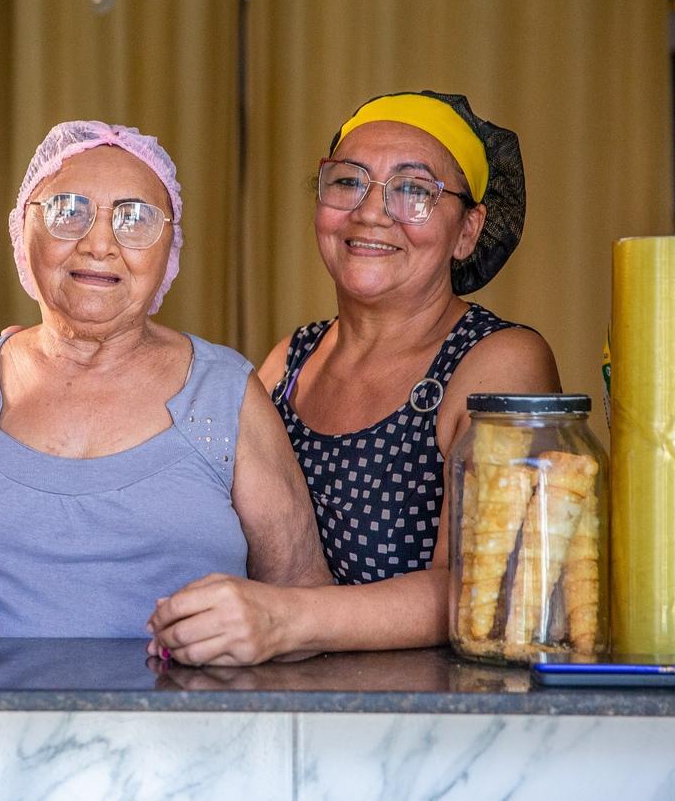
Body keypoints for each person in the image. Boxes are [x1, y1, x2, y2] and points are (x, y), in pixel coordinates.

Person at [0, 121, 331, 655]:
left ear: (171, 248)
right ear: (22, 234)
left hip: (186, 727)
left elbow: (302, 601)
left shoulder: (228, 392)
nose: (99, 244)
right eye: (67, 211)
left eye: (135, 218)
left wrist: (265, 627)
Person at [147, 90, 561, 664]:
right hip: (292, 709)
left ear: (468, 230)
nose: (371, 211)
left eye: (414, 189)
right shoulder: (291, 359)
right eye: (348, 181)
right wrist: (62, 355)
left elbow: (484, 588)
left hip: (430, 722)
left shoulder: (499, 361)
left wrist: (285, 619)